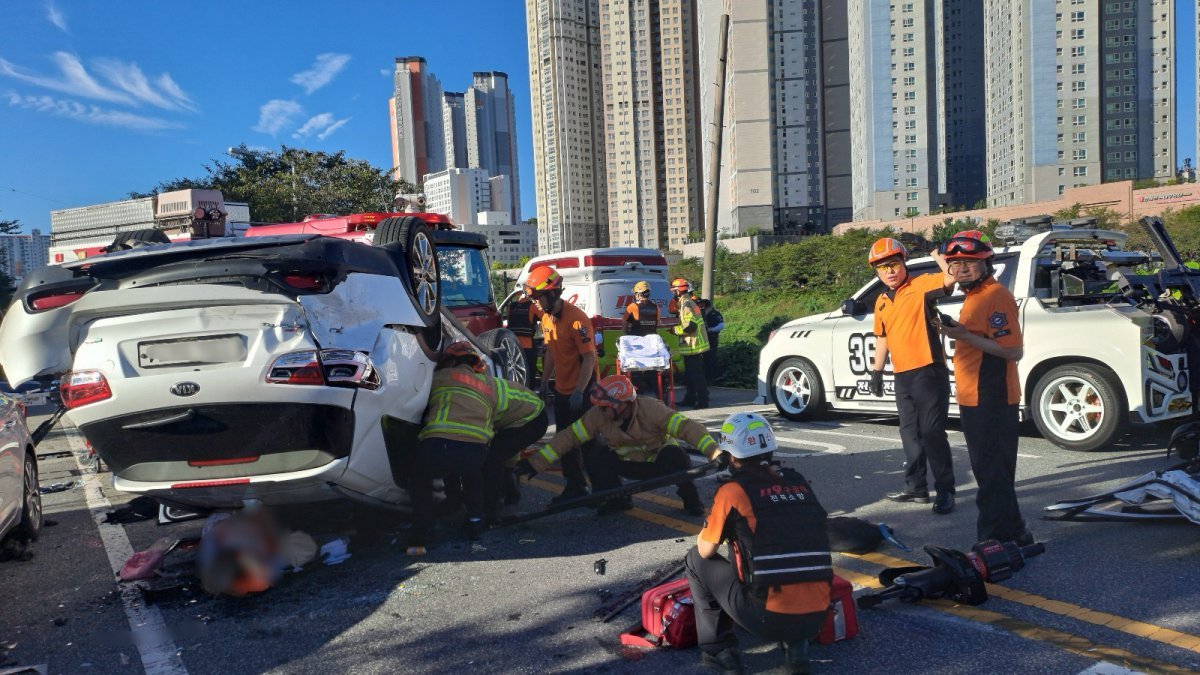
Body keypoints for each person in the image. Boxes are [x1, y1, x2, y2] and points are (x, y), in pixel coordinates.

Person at [685, 412, 832, 674]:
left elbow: (706, 549)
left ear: (731, 455)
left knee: (695, 560)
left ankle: (717, 647)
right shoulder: (799, 483)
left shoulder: (733, 491)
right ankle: (797, 646)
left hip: (769, 620)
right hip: (819, 616)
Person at [936, 231, 1034, 546]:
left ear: (986, 263)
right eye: (955, 264)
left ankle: (992, 540)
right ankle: (1016, 533)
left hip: (991, 396)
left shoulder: (996, 296)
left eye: (970, 263)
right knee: (992, 472)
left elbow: (1012, 351)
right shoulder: (974, 296)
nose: (962, 269)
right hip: (974, 395)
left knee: (992, 474)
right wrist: (960, 331)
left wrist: (963, 336)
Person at [521, 374, 718, 516]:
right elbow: (568, 437)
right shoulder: (598, 416)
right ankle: (617, 500)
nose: (600, 411)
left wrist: (714, 452)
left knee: (678, 456)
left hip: (660, 462)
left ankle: (691, 500)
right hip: (628, 464)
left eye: (605, 407)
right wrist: (536, 462)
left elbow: (687, 428)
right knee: (597, 455)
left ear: (621, 403)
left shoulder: (651, 409)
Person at [868, 237, 957, 514]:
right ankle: (916, 488)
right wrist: (877, 371)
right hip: (902, 374)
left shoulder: (920, 286)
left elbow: (950, 279)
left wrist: (933, 251)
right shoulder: (881, 300)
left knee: (932, 432)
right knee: (909, 433)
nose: (890, 271)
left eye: (894, 264)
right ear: (877, 272)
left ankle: (945, 491)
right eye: (883, 268)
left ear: (904, 263)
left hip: (928, 369)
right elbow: (882, 338)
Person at [409, 341, 499, 551]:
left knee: (418, 476)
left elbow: (417, 401)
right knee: (472, 474)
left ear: (450, 360)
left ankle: (424, 528)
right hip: (476, 450)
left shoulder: (440, 377)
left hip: (440, 446)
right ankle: (476, 522)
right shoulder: (488, 386)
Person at [525, 266, 597, 502]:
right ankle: (574, 486)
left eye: (538, 298)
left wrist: (579, 391)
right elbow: (551, 353)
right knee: (564, 441)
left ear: (553, 293)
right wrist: (545, 381)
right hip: (562, 390)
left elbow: (589, 357)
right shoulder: (546, 319)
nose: (535, 303)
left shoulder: (577, 320)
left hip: (582, 390)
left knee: (588, 441)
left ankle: (603, 489)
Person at [483, 376, 550, 521]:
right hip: (524, 415)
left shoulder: (473, 392)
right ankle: (509, 496)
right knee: (501, 453)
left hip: (533, 418)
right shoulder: (478, 382)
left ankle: (493, 510)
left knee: (493, 458)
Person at [671, 278, 710, 409]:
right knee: (689, 376)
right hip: (692, 346)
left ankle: (702, 401)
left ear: (678, 291)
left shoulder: (686, 304)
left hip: (694, 346)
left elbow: (690, 326)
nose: (673, 293)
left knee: (696, 376)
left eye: (674, 291)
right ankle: (690, 398)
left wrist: (675, 330)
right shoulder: (686, 302)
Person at [623, 280, 662, 398]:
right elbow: (657, 323)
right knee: (653, 372)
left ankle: (638, 396)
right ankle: (659, 396)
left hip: (637, 346)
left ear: (637, 293)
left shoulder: (633, 306)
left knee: (635, 372)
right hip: (651, 345)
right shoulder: (656, 307)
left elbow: (624, 323)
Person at [505, 289, 541, 388]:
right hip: (527, 346)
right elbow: (544, 317)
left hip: (513, 346)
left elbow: (509, 322)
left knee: (515, 375)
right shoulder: (532, 306)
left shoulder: (511, 307)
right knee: (529, 374)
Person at [697, 297, 725, 382]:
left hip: (712, 339)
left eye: (702, 306)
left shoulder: (714, 314)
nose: (701, 308)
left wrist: (710, 330)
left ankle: (716, 376)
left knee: (712, 357)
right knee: (706, 358)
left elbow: (721, 325)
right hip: (704, 340)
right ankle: (708, 377)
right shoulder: (703, 314)